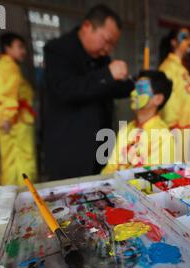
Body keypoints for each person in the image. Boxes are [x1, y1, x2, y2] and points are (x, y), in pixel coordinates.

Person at [44, 4, 134, 180]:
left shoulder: (100, 56)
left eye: (112, 45)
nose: (108, 49)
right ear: (87, 27)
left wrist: (134, 85)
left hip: (101, 145)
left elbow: (109, 88)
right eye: (107, 40)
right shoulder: (58, 50)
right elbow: (66, 89)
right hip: (71, 152)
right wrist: (108, 73)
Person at [0, 32, 37, 186]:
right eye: (20, 47)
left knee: (10, 159)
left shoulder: (3, 67)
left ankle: (10, 194)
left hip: (9, 117)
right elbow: (8, 94)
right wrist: (8, 117)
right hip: (16, 119)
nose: (24, 51)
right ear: (7, 48)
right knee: (24, 157)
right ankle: (27, 193)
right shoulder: (9, 67)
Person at [101, 70, 174, 174]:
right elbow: (110, 169)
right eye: (135, 88)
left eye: (140, 89)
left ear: (158, 99)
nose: (133, 93)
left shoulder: (163, 137)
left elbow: (150, 180)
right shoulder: (126, 129)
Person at [159, 28, 190, 161]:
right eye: (184, 37)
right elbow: (168, 99)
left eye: (189, 38)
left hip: (184, 127)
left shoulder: (180, 68)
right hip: (176, 129)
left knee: (183, 169)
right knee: (175, 169)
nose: (189, 42)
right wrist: (172, 126)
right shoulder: (168, 68)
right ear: (173, 43)